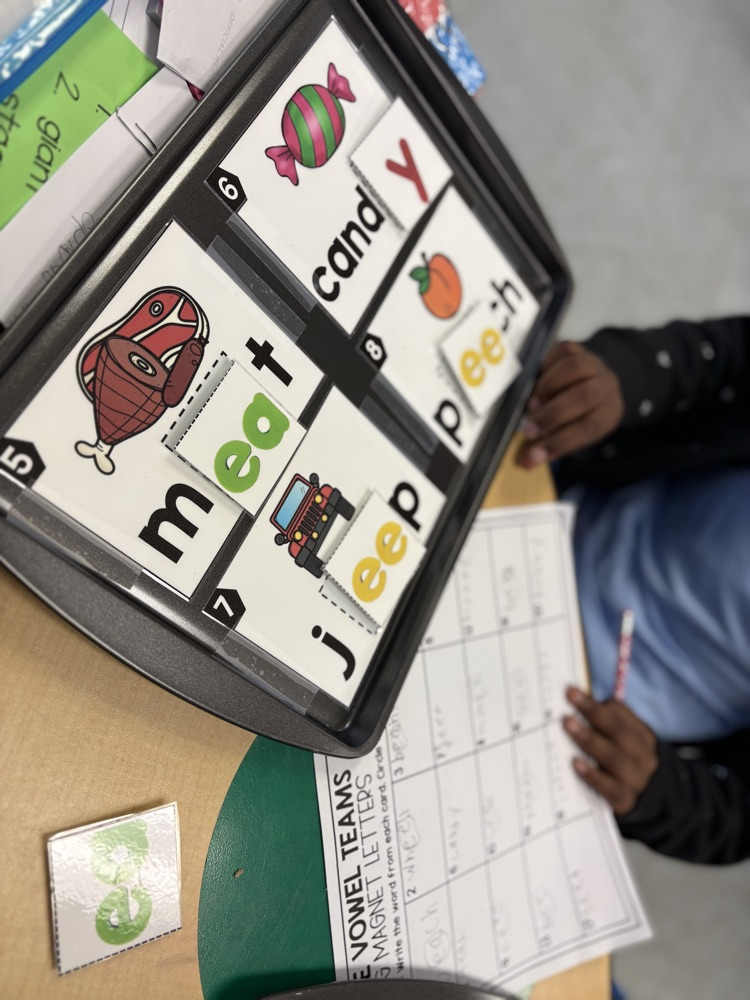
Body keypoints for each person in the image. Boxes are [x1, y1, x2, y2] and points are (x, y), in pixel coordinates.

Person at [515, 319, 750, 864]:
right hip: (544, 498)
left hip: (563, 715)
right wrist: (626, 377)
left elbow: (735, 818)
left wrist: (659, 791)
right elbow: (721, 360)